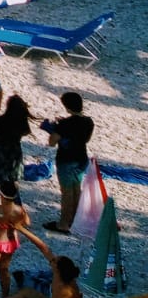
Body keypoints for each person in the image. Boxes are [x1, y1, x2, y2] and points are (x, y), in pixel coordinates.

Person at [42, 92, 94, 235]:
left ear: (67, 107)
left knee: (66, 192)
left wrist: (51, 129)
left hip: (66, 160)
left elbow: (52, 142)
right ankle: (75, 220)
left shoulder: (64, 124)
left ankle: (64, 223)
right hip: (81, 159)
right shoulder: (88, 122)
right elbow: (85, 139)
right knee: (76, 189)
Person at [6, 235, 85, 298]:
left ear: (57, 269)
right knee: (24, 292)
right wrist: (21, 229)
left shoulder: (63, 291)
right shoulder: (60, 274)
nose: (52, 259)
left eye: (54, 260)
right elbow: (43, 247)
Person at [0, 182, 39, 298]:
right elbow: (27, 222)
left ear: (1, 195)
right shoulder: (20, 210)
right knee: (4, 270)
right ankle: (5, 296)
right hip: (10, 244)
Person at [0, 96, 33, 191]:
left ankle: (6, 203)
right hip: (13, 153)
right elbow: (26, 132)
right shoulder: (22, 123)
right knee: (11, 182)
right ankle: (13, 202)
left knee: (2, 183)